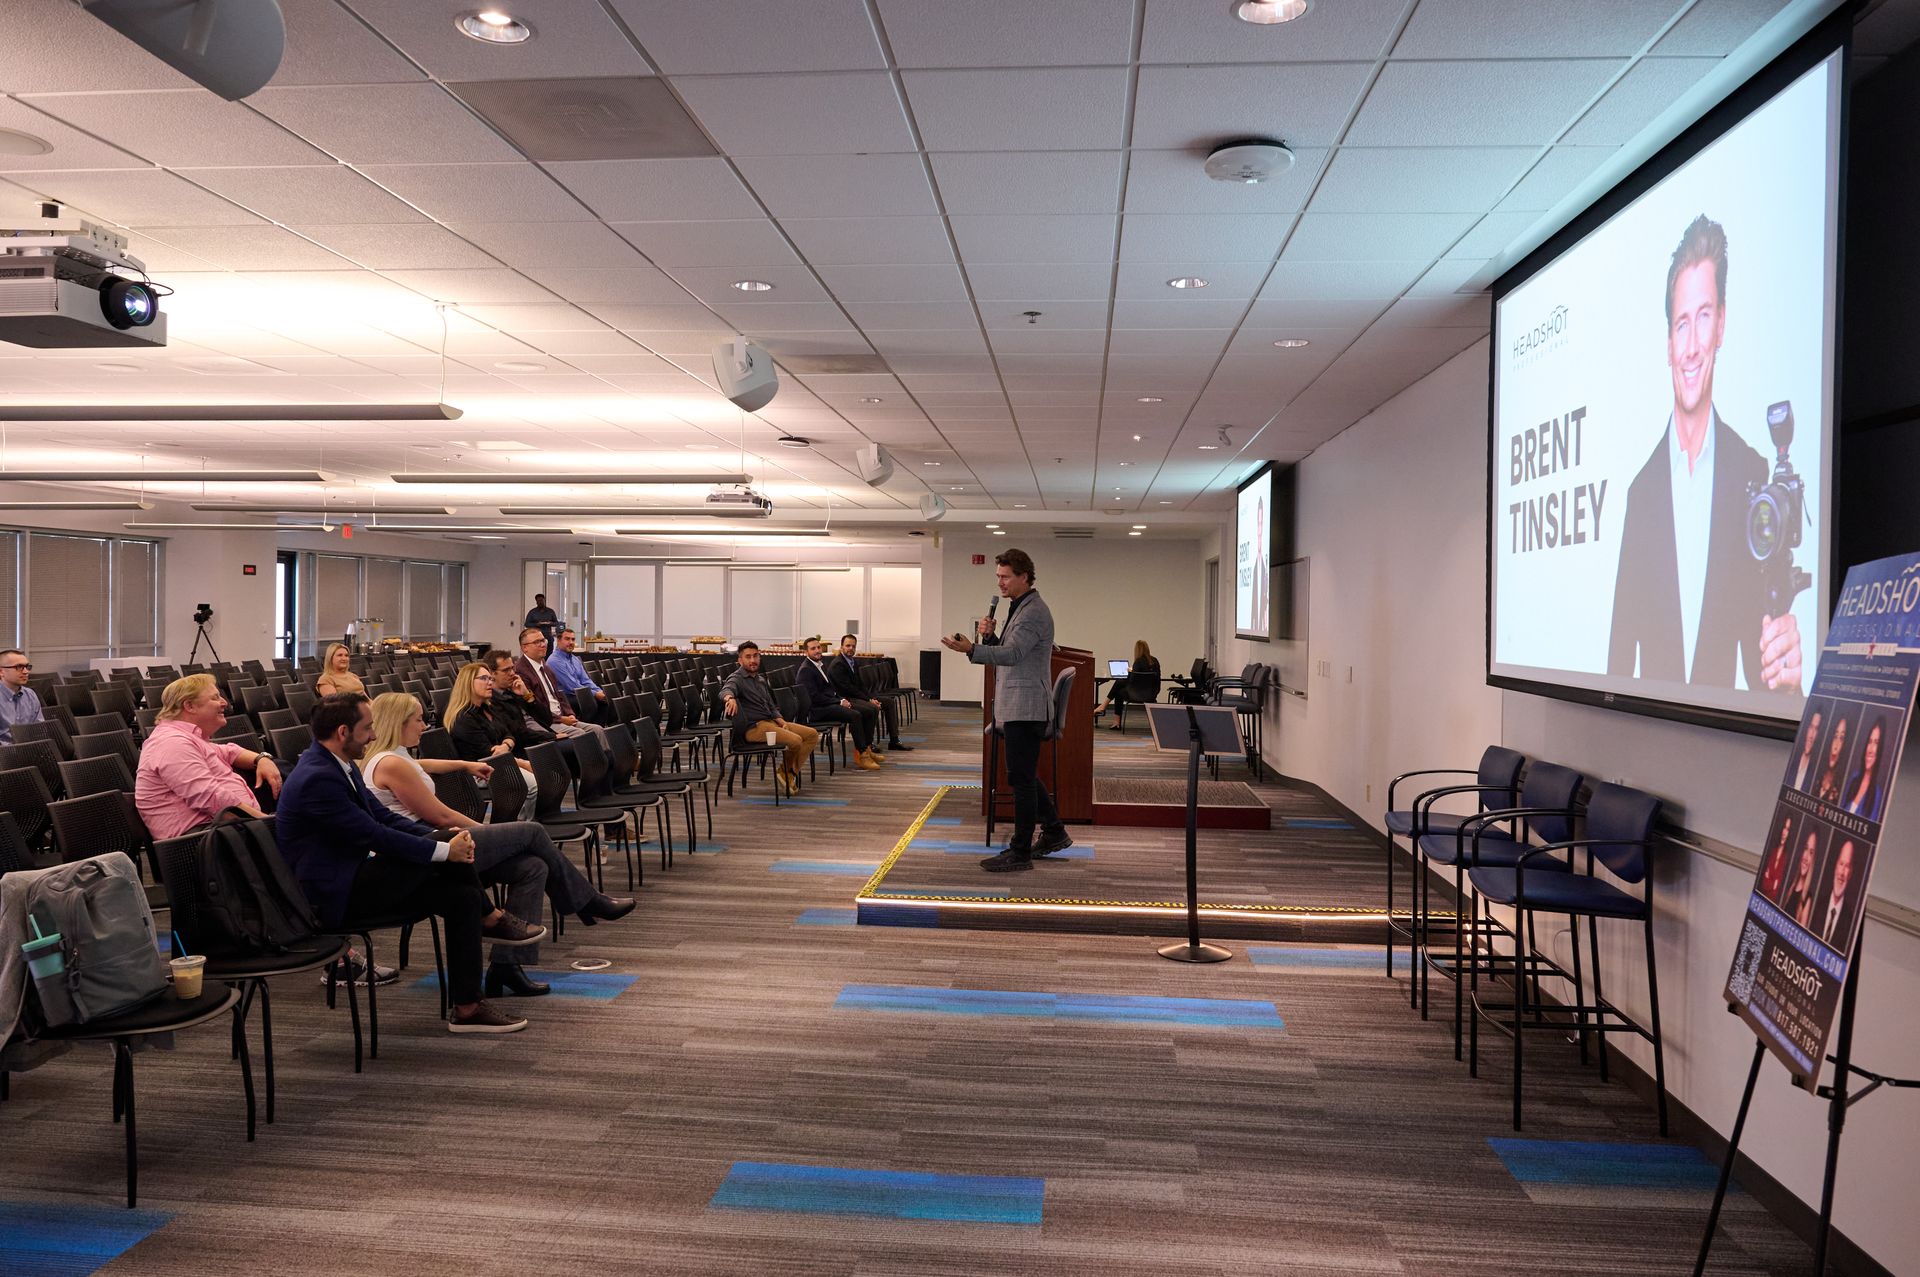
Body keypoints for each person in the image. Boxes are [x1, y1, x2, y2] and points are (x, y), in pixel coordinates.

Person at [1607, 215, 1802, 692]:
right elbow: (1616, 667)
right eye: (1681, 325)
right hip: (1645, 750)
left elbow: (1766, 683)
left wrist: (1789, 680)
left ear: (1722, 326)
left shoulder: (1754, 478)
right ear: (1668, 345)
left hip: (1719, 751)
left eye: (1704, 317)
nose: (1692, 346)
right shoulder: (1640, 492)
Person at [275, 693, 544, 1033]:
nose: (373, 735)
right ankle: (491, 918)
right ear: (343, 732)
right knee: (447, 850)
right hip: (332, 896)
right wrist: (445, 847)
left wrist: (445, 835)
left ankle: (468, 1006)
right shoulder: (318, 776)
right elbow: (374, 834)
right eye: (367, 728)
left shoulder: (336, 762)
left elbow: (383, 817)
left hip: (354, 877)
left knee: (461, 897)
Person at [360, 693, 633, 997]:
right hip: (429, 854)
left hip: (441, 843)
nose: (424, 726)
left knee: (533, 867)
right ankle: (587, 901)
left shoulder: (394, 757)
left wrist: (466, 765)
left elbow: (422, 763)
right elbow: (437, 815)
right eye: (418, 720)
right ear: (397, 723)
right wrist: (493, 832)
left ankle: (507, 967)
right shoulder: (392, 764)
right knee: (529, 833)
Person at [941, 548, 1072, 872]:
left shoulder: (1033, 612)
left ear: (1023, 577)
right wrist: (990, 637)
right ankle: (1054, 832)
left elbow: (1013, 655)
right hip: (1019, 704)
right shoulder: (1020, 607)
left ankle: (1020, 852)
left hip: (1026, 706)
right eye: (997, 576)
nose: (999, 582)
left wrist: (973, 648)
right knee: (1023, 775)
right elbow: (1012, 650)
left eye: (1005, 576)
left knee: (1021, 780)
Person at [134, 673, 284, 840]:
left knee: (282, 769)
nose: (224, 703)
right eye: (215, 698)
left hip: (223, 829)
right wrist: (267, 823)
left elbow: (229, 752)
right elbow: (211, 798)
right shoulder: (172, 743)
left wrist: (262, 759)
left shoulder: (187, 738)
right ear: (190, 706)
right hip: (200, 839)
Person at [721, 641, 817, 796]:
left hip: (770, 723)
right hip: (754, 728)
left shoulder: (760, 680)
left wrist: (781, 720)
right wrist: (729, 698)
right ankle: (786, 772)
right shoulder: (737, 678)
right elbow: (726, 689)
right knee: (796, 741)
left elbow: (771, 706)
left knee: (811, 734)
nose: (752, 660)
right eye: (748, 657)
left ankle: (789, 773)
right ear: (740, 660)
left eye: (755, 656)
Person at [796, 636, 880, 770]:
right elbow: (814, 698)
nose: (817, 650)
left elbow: (829, 690)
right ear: (806, 652)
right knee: (855, 715)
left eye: (818, 647)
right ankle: (862, 755)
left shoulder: (818, 665)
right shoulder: (806, 670)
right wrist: (839, 701)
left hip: (828, 704)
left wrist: (840, 699)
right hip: (817, 711)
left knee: (868, 711)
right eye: (813, 648)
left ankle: (867, 749)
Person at [833, 634, 913, 752]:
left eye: (853, 646)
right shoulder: (838, 665)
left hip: (857, 696)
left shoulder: (852, 661)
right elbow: (848, 689)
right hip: (846, 698)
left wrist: (870, 697)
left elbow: (861, 685)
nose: (851, 648)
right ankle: (868, 744)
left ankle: (894, 740)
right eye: (848, 645)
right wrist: (869, 700)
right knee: (872, 708)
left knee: (889, 702)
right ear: (841, 647)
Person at [515, 629, 589, 739]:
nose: (543, 645)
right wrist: (561, 719)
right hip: (547, 722)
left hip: (561, 716)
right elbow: (534, 709)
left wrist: (570, 714)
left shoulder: (545, 666)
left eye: (543, 640)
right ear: (525, 647)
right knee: (581, 735)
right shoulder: (521, 671)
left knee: (597, 730)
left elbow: (559, 695)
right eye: (537, 642)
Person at [546, 628, 613, 726]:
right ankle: (589, 732)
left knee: (604, 700)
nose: (571, 642)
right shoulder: (554, 661)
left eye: (573, 639)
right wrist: (595, 694)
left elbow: (585, 680)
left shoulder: (575, 659)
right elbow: (572, 685)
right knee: (594, 701)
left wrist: (598, 691)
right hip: (564, 697)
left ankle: (597, 731)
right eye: (567, 639)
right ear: (559, 641)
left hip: (578, 693)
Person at [1094, 639, 1160, 729]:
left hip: (1137, 695)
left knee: (1119, 687)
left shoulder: (1138, 661)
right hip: (1151, 695)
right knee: (1119, 687)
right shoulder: (1155, 661)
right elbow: (1157, 679)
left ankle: (1111, 716)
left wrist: (1130, 672)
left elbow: (1132, 682)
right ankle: (1106, 710)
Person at [1816, 839, 1859, 950]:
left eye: (1847, 866)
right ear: (1835, 866)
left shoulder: (1851, 921)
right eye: (1841, 864)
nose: (1842, 873)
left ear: (1850, 873)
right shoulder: (1816, 905)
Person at [1842, 719, 1885, 821]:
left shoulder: (1877, 794)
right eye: (1869, 742)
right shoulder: (1853, 778)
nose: (1870, 749)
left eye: (1876, 743)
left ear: (1880, 749)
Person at [1780, 829, 1821, 930]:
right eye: (1805, 849)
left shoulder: (1807, 899)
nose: (1806, 857)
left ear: (1814, 859)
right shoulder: (1790, 886)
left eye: (1811, 852)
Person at [0, 649, 42, 744]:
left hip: (28, 751)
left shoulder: (30, 695)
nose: (26, 672)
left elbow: (39, 730)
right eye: (19, 667)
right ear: (1, 672)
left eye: (27, 667)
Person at [1812, 712, 1851, 805]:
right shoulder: (1814, 775)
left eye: (1841, 738)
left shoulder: (1843, 788)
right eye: (1835, 736)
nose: (1835, 747)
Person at [1757, 814, 1793, 903]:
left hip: (1773, 904)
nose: (1784, 832)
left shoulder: (1786, 857)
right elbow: (1764, 884)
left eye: (1788, 829)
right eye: (1784, 827)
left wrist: (1770, 881)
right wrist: (1773, 885)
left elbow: (1778, 890)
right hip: (1761, 899)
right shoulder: (1773, 851)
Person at [1789, 703, 1825, 791]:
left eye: (1816, 729)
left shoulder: (1817, 772)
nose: (1811, 735)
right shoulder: (1791, 760)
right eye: (1811, 727)